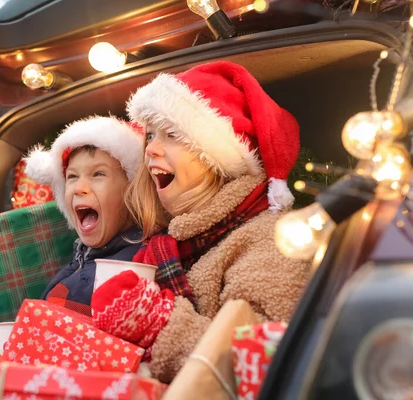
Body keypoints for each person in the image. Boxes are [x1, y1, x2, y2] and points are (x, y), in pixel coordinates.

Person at [92, 61, 311, 382]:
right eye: (151, 135)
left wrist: (156, 322)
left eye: (171, 135)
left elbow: (260, 368)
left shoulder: (273, 240)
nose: (150, 148)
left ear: (215, 155)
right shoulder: (165, 246)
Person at [24, 116, 144, 316]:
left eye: (98, 174)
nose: (79, 188)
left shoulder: (136, 265)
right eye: (72, 176)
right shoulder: (82, 259)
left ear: (132, 191)